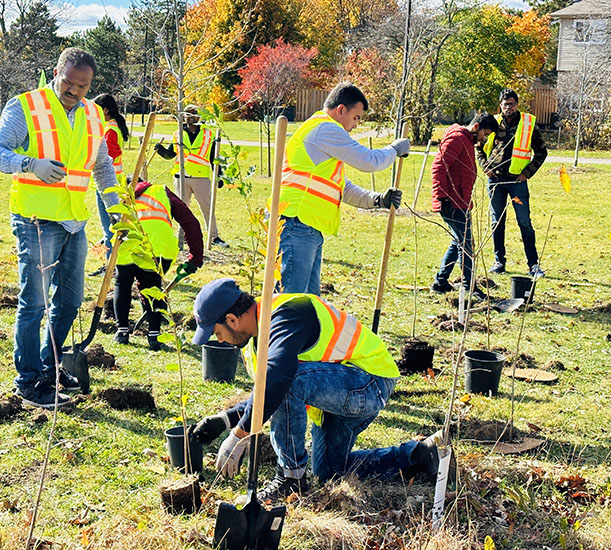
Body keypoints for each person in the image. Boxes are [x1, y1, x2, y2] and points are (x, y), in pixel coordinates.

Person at [189, 278, 442, 502]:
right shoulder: (253, 339)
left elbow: (279, 380)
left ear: (232, 320)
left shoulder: (286, 315)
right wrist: (225, 419)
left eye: (217, 333)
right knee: (328, 471)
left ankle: (290, 478)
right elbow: (268, 390)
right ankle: (419, 455)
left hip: (369, 382)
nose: (219, 340)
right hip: (341, 393)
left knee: (288, 382)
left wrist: (240, 434)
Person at [0, 47, 118, 409]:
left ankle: (48, 367)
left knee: (70, 302)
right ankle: (28, 382)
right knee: (34, 304)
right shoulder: (26, 105)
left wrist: (116, 207)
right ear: (56, 71)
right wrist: (30, 164)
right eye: (68, 83)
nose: (74, 92)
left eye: (83, 86)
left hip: (74, 220)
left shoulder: (92, 114)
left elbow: (102, 167)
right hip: (36, 219)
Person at [277, 82, 410, 294]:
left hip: (307, 226)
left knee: (308, 305)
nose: (356, 125)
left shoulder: (323, 133)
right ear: (340, 110)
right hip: (297, 224)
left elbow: (342, 188)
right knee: (291, 303)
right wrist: (394, 150)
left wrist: (378, 200)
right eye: (356, 117)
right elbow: (369, 161)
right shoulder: (325, 128)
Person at [113, 180, 203, 350]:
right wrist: (195, 256)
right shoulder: (161, 191)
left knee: (122, 283)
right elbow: (190, 222)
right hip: (158, 249)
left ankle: (122, 332)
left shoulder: (119, 196)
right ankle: (154, 334)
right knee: (152, 285)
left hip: (126, 248)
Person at [476, 89, 548, 278]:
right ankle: (499, 261)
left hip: (517, 181)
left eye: (512, 104)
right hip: (496, 180)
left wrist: (527, 173)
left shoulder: (528, 123)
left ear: (517, 104)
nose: (509, 108)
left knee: (525, 223)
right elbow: (479, 147)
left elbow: (542, 152)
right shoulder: (491, 122)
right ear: (500, 105)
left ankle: (533, 265)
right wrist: (484, 166)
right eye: (505, 104)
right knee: (496, 222)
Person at [430, 113, 499, 298]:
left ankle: (440, 282)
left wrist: (466, 198)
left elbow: (461, 172)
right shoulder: (458, 139)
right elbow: (438, 166)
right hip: (451, 202)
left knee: (458, 241)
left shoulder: (467, 141)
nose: (484, 139)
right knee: (466, 244)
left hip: (461, 201)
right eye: (484, 134)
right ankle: (469, 287)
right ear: (476, 126)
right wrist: (442, 197)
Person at [154, 105, 228, 248]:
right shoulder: (178, 134)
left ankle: (214, 237)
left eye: (194, 113)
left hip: (200, 177)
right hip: (181, 177)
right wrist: (161, 151)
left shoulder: (208, 135)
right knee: (182, 209)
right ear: (183, 116)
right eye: (188, 114)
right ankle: (181, 239)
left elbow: (214, 158)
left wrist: (219, 176)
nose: (191, 116)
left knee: (207, 208)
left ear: (199, 116)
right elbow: (171, 154)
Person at [89, 93, 130, 276]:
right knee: (111, 227)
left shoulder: (109, 130)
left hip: (108, 185)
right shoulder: (112, 127)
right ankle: (112, 266)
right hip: (114, 183)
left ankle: (110, 268)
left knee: (109, 229)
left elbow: (109, 156)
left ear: (105, 110)